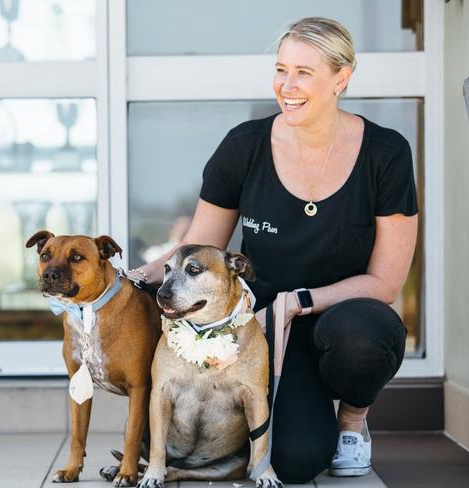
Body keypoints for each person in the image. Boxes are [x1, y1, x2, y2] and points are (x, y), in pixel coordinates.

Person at [129, 17, 418, 484]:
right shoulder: (245, 145)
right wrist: (122, 284)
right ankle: (301, 416)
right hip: (259, 330)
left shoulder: (385, 153)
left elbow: (386, 282)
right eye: (281, 69)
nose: (287, 85)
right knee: (298, 461)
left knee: (370, 331)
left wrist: (301, 301)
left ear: (341, 78)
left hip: (339, 316)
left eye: (304, 72)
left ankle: (351, 424)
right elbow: (197, 249)